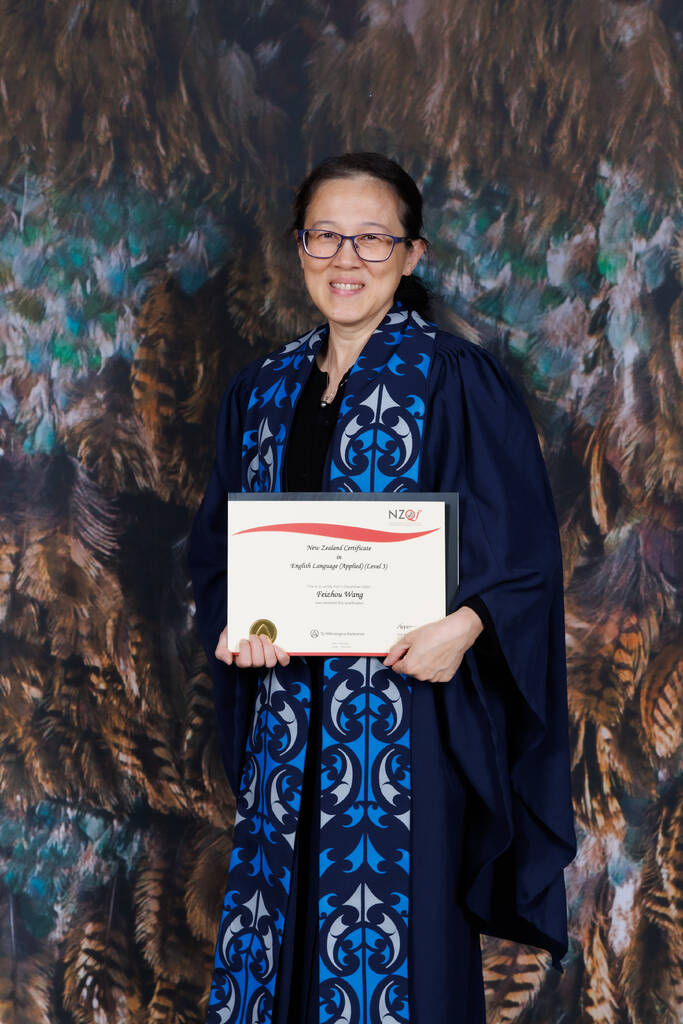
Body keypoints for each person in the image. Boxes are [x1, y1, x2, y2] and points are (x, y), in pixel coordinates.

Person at [188, 152, 577, 1024]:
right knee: (278, 942)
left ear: (411, 255)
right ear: (298, 248)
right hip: (285, 727)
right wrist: (236, 622)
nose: (346, 259)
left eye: (372, 239)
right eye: (325, 236)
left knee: (397, 960)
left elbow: (523, 555)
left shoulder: (454, 379)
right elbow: (218, 551)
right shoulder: (261, 391)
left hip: (406, 730)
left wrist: (466, 626)